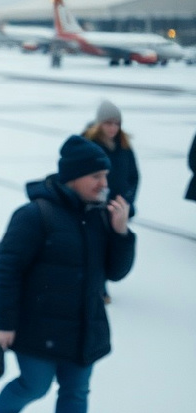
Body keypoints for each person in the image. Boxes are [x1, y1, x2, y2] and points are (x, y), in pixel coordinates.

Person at [0, 135, 135, 413]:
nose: (104, 183)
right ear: (73, 176)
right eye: (96, 176)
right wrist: (3, 321)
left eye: (105, 175)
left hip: (85, 325)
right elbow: (7, 270)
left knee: (76, 391)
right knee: (34, 385)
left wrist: (121, 232)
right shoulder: (35, 214)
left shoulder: (101, 216)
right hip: (37, 326)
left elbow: (115, 273)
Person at [81, 100, 137, 304]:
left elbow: (133, 175)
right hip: (95, 207)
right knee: (96, 247)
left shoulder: (124, 146)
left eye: (116, 123)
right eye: (108, 123)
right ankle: (98, 286)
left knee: (115, 247)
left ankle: (102, 281)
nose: (113, 128)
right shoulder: (87, 144)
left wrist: (128, 199)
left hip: (117, 207)